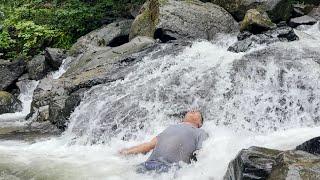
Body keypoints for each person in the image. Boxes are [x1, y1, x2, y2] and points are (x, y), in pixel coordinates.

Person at [119, 110, 208, 173]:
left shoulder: (200, 132)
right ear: (182, 119)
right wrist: (125, 152)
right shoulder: (171, 127)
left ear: (200, 123)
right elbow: (149, 145)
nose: (192, 111)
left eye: (197, 113)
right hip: (148, 164)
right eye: (191, 111)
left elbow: (202, 154)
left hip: (171, 169)